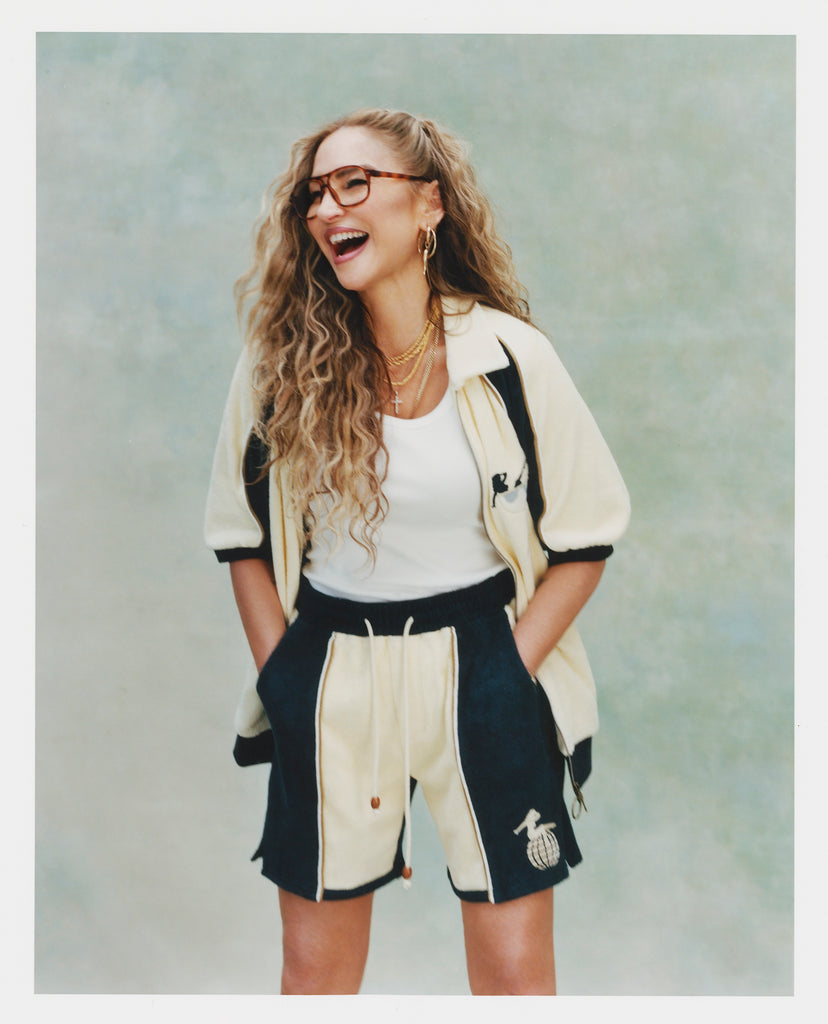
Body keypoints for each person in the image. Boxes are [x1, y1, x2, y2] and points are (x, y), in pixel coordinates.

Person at [205, 108, 630, 995]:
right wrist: (283, 673)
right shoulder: (279, 365)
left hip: (483, 658)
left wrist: (508, 672)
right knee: (314, 976)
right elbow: (238, 535)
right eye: (315, 193)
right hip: (331, 668)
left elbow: (587, 534)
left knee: (516, 977)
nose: (328, 208)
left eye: (355, 183)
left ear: (428, 205)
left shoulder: (511, 357)